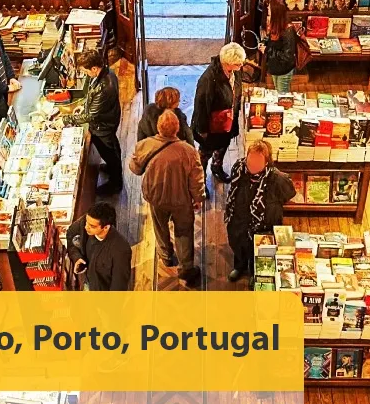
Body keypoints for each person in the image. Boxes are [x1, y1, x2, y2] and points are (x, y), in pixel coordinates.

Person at [129, 110, 204, 287]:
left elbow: (135, 168)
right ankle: (186, 268)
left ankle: (166, 256)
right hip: (181, 199)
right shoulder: (188, 151)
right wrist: (198, 197)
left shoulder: (145, 145)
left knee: (160, 226)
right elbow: (196, 179)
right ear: (177, 128)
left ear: (158, 127)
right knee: (184, 232)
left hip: (156, 197)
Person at [223, 140, 296, 282]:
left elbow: (289, 194)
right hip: (239, 219)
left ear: (267, 161)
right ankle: (239, 266)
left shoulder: (278, 178)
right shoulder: (238, 168)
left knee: (259, 250)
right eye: (250, 160)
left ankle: (255, 273)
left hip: (263, 225)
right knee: (238, 243)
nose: (252, 165)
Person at [67, 49, 123, 195]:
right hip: (107, 120)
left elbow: (91, 116)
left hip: (103, 126)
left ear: (93, 68)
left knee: (109, 151)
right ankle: (111, 168)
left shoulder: (105, 87)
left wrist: (67, 119)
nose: (85, 74)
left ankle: (115, 184)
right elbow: (93, 96)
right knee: (110, 150)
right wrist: (84, 105)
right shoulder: (107, 72)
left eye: (85, 71)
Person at [192, 42, 246, 183]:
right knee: (205, 153)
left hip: (227, 122)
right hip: (212, 126)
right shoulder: (208, 79)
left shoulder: (234, 71)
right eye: (238, 64)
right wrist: (202, 130)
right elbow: (201, 106)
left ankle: (217, 168)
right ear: (227, 63)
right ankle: (200, 179)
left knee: (222, 146)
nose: (241, 66)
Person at [66, 202, 131, 291]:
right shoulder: (87, 222)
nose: (86, 227)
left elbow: (118, 286)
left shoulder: (120, 251)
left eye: (92, 226)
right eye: (86, 222)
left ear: (106, 227)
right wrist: (77, 257)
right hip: (88, 282)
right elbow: (70, 236)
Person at [260, 0, 298, 93]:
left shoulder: (288, 31)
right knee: (278, 91)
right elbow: (270, 37)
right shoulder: (276, 24)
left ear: (276, 13)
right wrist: (264, 42)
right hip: (275, 67)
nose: (268, 11)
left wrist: (267, 50)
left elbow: (287, 56)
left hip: (284, 70)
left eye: (269, 9)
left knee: (282, 94)